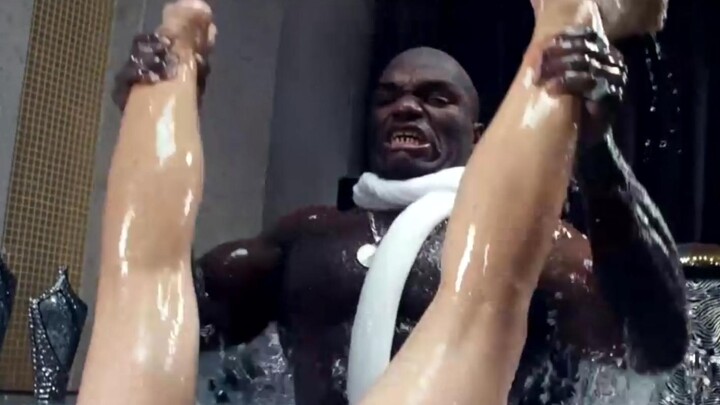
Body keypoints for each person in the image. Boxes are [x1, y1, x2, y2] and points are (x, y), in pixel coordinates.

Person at [113, 22, 688, 405]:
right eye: (388, 97)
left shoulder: (532, 241)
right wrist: (158, 118)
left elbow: (653, 345)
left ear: (479, 134)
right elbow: (165, 309)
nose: (406, 106)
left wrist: (595, 152)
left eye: (436, 98)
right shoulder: (309, 235)